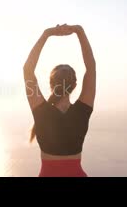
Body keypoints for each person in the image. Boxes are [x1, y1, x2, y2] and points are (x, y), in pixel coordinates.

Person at [23, 24, 96, 177]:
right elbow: (91, 68)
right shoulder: (83, 111)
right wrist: (79, 31)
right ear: (75, 85)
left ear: (51, 84)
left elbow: (28, 70)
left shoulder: (41, 111)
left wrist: (46, 34)